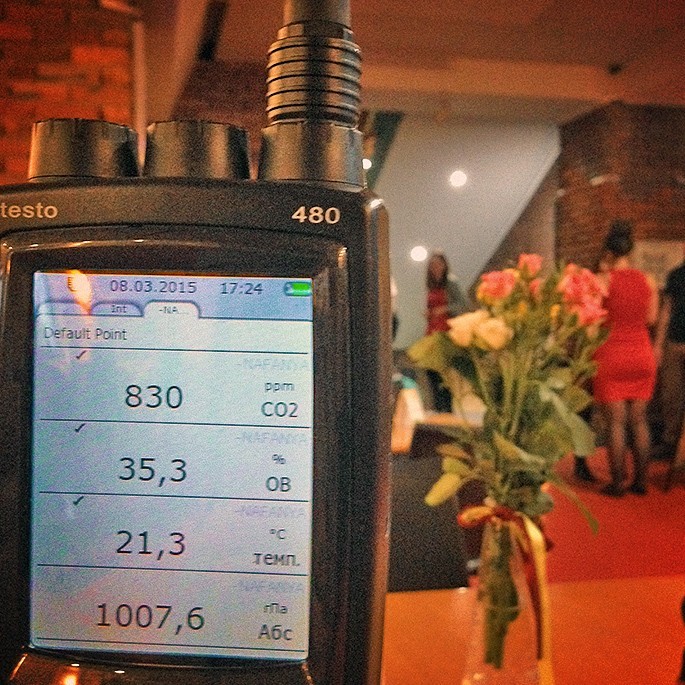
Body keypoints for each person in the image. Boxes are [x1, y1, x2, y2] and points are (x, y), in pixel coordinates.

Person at [592, 221, 659, 496]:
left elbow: (593, 321)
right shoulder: (648, 280)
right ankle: (641, 483)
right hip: (641, 353)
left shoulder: (602, 280)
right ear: (631, 250)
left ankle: (618, 483)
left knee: (616, 422)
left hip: (611, 354)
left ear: (608, 251)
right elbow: (651, 319)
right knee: (639, 421)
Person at [424, 252, 469, 412]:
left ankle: (447, 409)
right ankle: (438, 408)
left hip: (446, 331)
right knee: (431, 370)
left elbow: (463, 304)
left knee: (444, 372)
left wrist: (444, 309)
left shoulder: (451, 282)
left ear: (444, 266)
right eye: (433, 265)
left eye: (438, 264)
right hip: (433, 331)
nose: (435, 268)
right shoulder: (432, 285)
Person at [654, 249, 685, 459]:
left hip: (675, 342)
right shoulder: (675, 275)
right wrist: (658, 345)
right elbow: (666, 310)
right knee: (671, 395)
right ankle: (670, 441)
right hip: (674, 342)